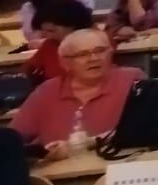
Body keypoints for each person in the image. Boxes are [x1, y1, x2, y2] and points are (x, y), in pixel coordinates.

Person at [10, 28, 144, 155]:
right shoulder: (46, 91)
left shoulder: (132, 79)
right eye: (82, 54)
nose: (93, 58)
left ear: (110, 53)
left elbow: (146, 127)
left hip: (115, 165)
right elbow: (11, 138)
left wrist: (91, 142)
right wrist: (41, 153)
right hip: (58, 168)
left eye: (100, 51)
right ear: (65, 63)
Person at [23, 0, 97, 83]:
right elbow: (29, 67)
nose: (48, 36)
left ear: (73, 26)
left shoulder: (95, 47)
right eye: (44, 31)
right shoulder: (50, 45)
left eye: (51, 31)